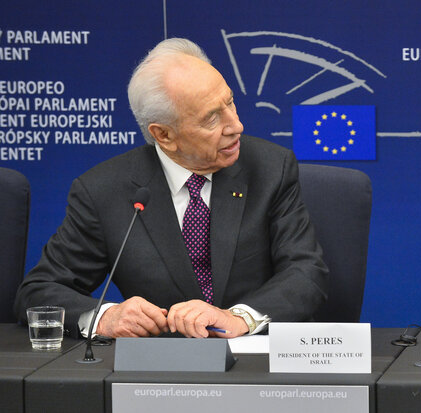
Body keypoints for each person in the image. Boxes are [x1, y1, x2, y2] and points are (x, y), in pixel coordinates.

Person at [14, 38, 328, 339]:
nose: (235, 125)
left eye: (230, 102)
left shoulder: (271, 168)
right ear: (164, 135)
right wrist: (105, 317)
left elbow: (305, 273)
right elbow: (39, 291)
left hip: (255, 361)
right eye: (211, 119)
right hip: (157, 371)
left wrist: (238, 317)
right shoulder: (103, 191)